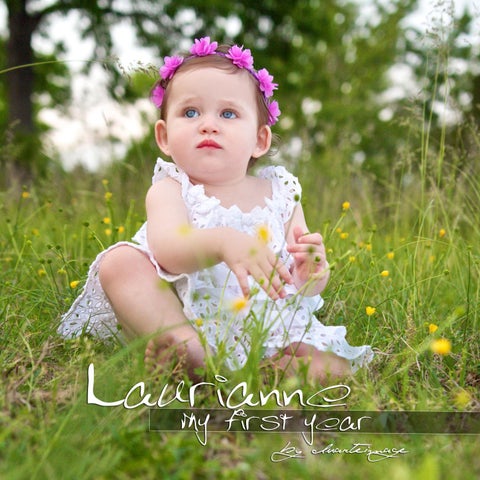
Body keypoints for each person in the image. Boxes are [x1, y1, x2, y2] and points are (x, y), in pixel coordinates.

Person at [59, 37, 373, 382]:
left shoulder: (280, 193)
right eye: (190, 112)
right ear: (164, 136)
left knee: (334, 369)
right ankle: (188, 351)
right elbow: (168, 252)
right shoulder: (170, 189)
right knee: (119, 262)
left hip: (271, 330)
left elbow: (301, 286)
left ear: (259, 140)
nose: (208, 124)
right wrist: (223, 241)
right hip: (188, 320)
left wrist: (312, 272)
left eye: (228, 113)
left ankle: (262, 373)